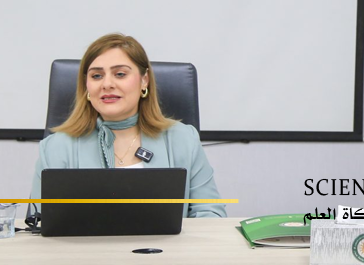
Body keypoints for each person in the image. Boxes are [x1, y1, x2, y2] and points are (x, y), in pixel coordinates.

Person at [30, 33, 225, 218]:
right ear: (86, 86)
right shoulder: (55, 148)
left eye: (120, 74)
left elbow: (211, 213)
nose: (107, 84)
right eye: (96, 76)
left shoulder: (184, 140)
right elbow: (38, 223)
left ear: (144, 80)